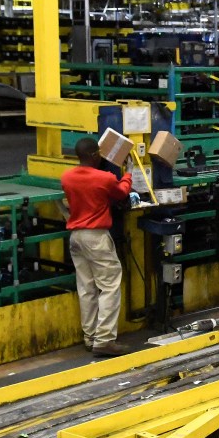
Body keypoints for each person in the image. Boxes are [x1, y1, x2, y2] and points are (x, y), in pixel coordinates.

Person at [60, 137, 133, 357]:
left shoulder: (67, 177)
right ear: (94, 155)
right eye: (99, 153)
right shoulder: (104, 178)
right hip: (96, 238)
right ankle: (104, 340)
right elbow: (121, 192)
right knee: (109, 286)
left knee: (86, 288)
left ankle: (90, 337)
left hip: (76, 238)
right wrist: (128, 172)